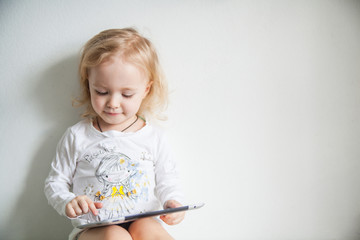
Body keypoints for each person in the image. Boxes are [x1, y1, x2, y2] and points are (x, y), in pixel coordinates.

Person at [44, 28, 184, 240]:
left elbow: (168, 180)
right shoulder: (78, 136)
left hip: (143, 220)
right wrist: (67, 201)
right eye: (101, 92)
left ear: (146, 89)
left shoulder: (154, 138)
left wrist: (173, 202)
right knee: (114, 236)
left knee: (149, 230)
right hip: (94, 229)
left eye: (127, 94)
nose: (113, 103)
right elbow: (55, 182)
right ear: (88, 84)